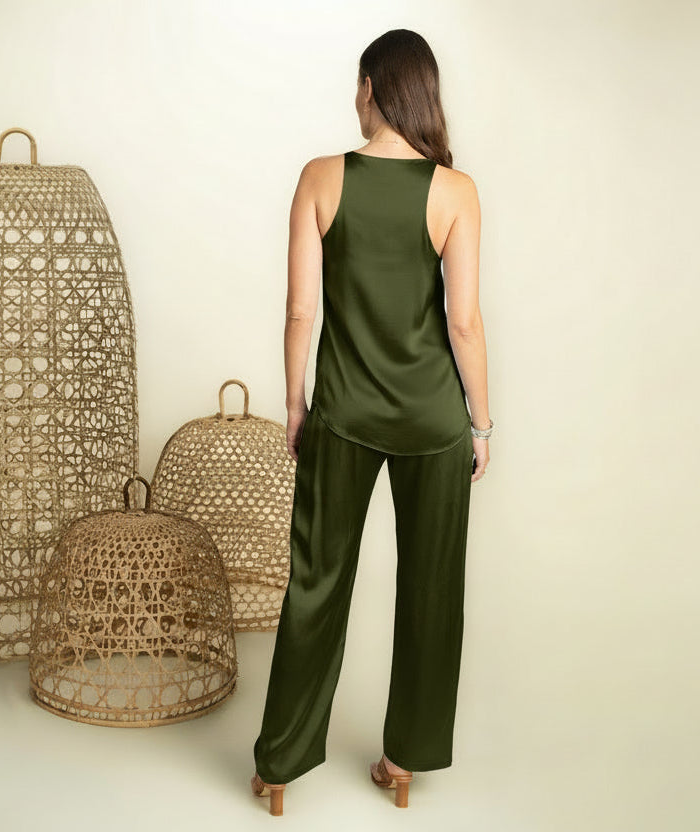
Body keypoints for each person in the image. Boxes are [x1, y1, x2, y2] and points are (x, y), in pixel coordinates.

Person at [250, 28, 492, 815]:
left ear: (374, 89)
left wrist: (295, 405)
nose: (354, 100)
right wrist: (481, 425)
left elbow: (298, 309)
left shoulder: (321, 177)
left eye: (359, 87)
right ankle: (404, 762)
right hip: (433, 421)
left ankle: (280, 766)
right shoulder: (455, 192)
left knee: (315, 585)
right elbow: (463, 323)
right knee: (432, 591)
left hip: (343, 413)